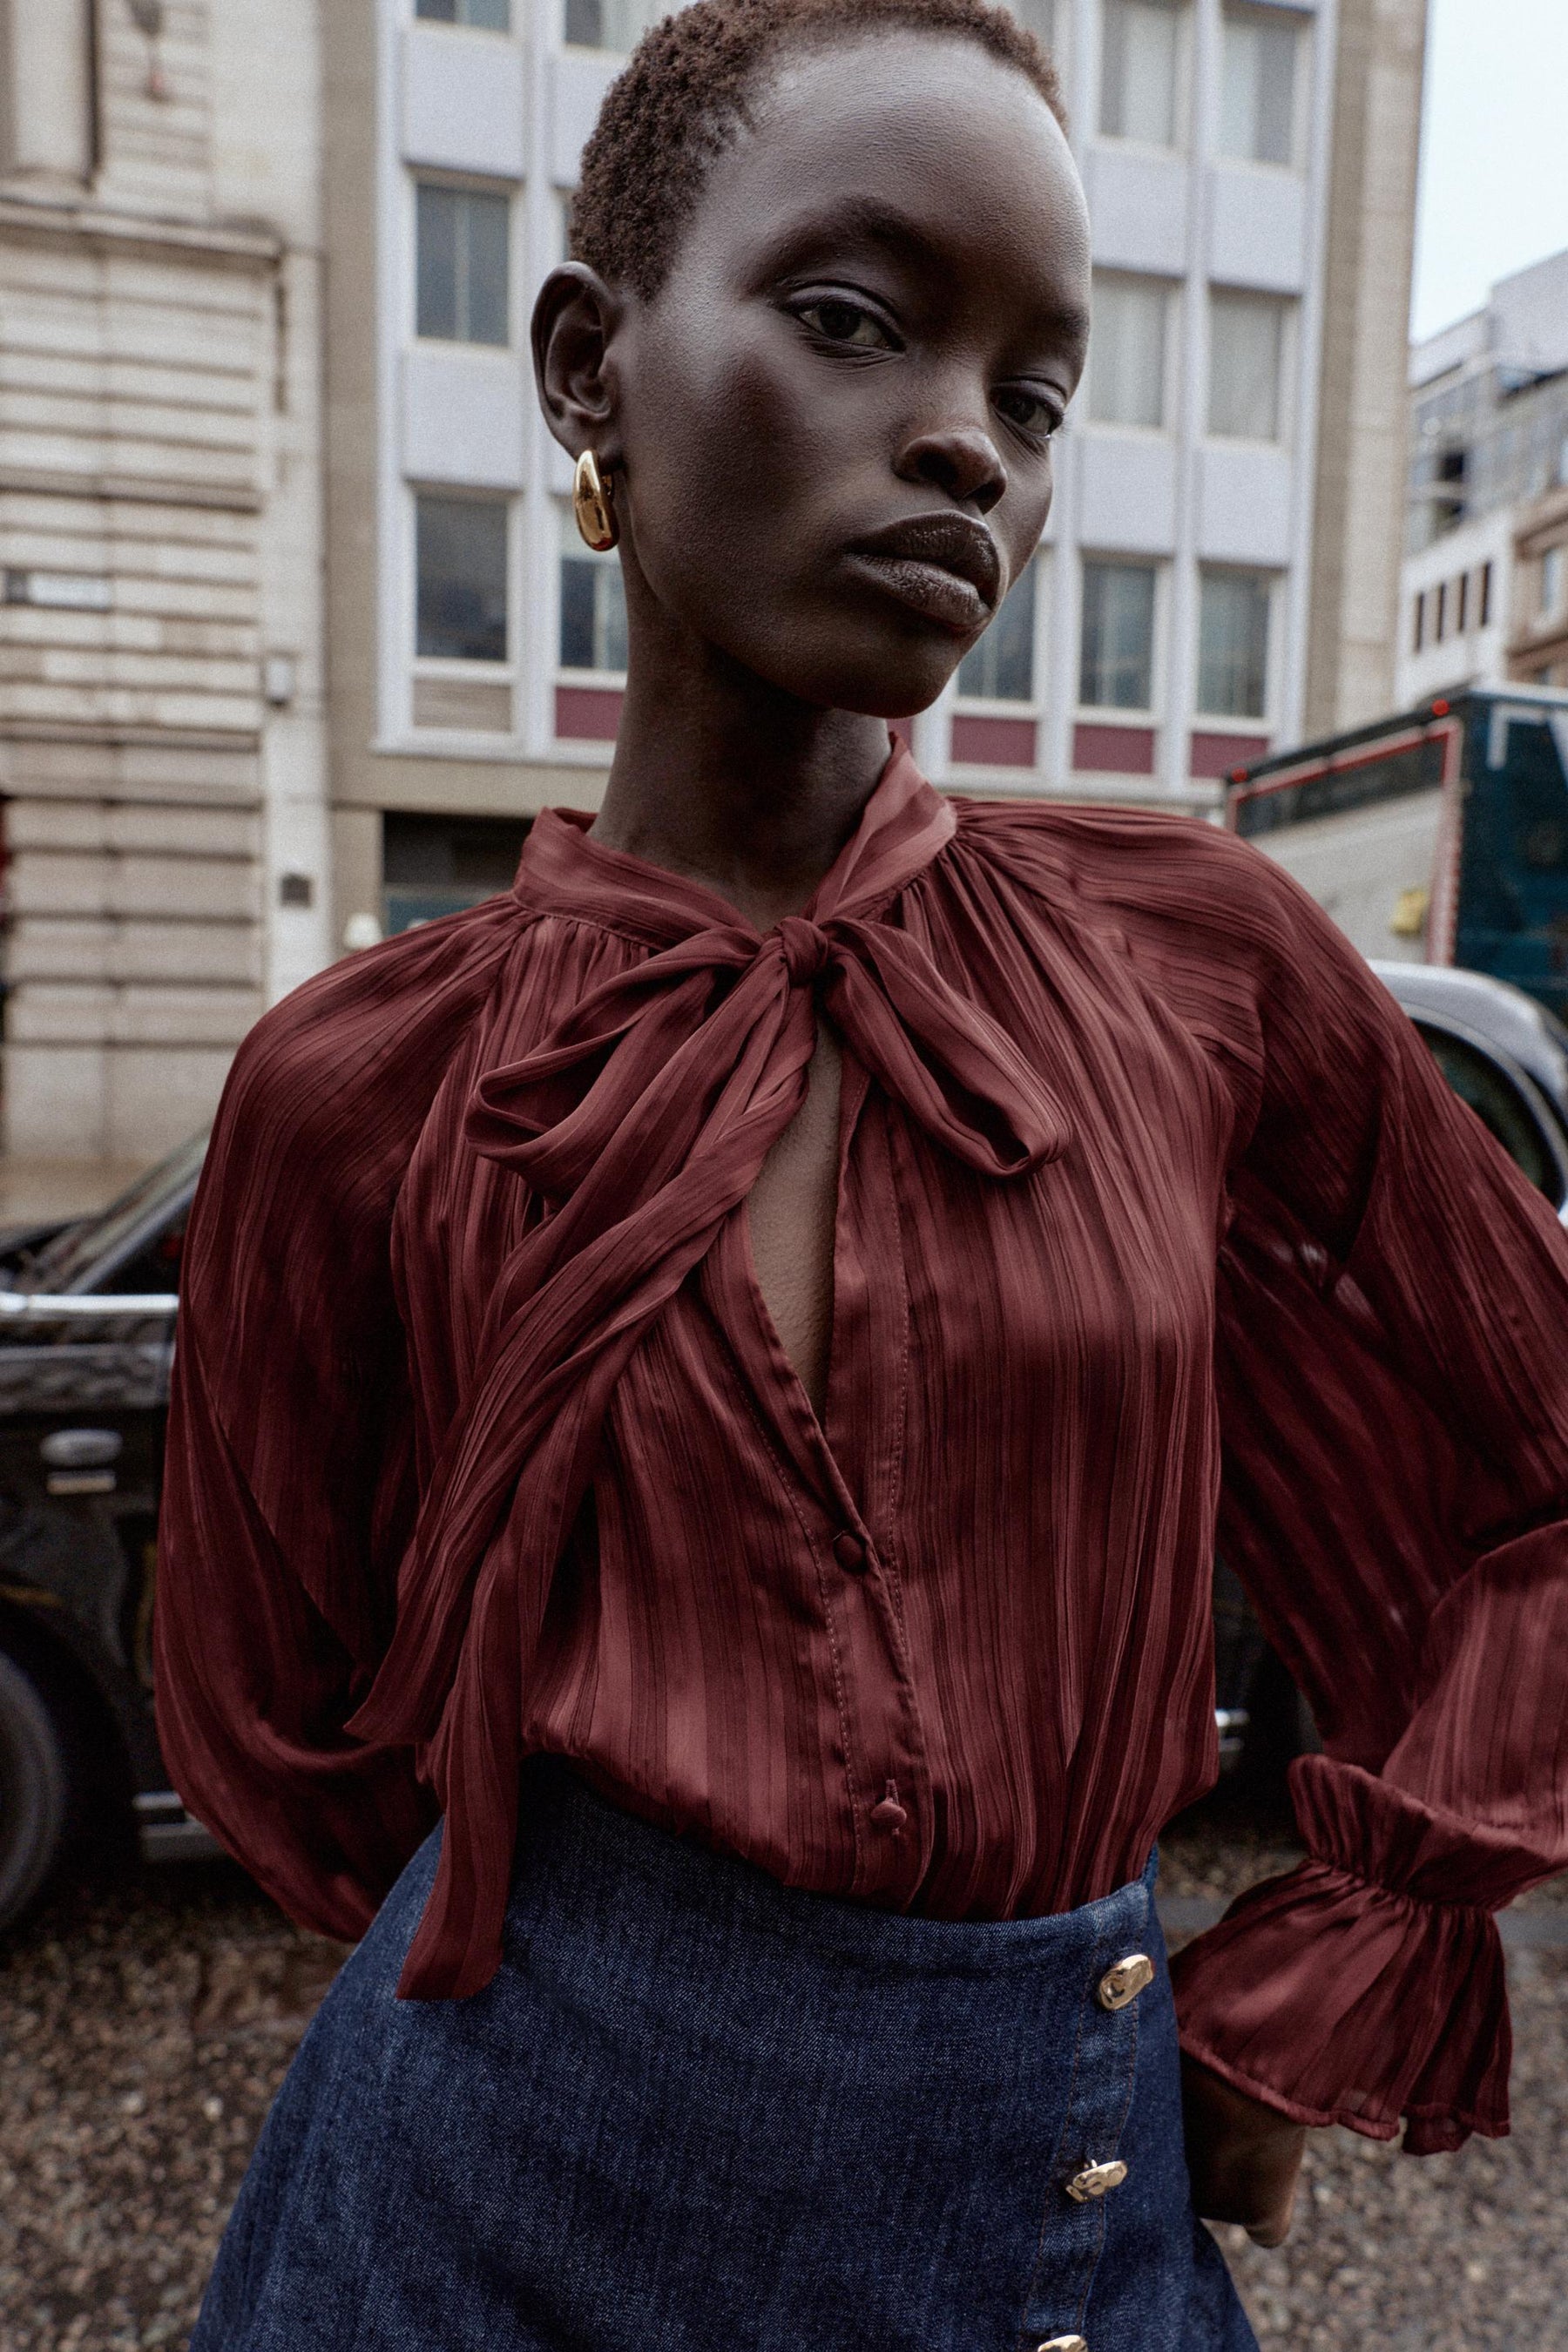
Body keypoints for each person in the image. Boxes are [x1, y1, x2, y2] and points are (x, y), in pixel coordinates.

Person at [155, 1, 1568, 2345]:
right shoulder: (360, 1086)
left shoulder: (1196, 969)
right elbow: (288, 1729)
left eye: (1038, 396)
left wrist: (1340, 1953)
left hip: (1055, 2194)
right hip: (476, 2208)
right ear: (590, 365)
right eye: (850, 317)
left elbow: (1535, 1489)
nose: (965, 443)